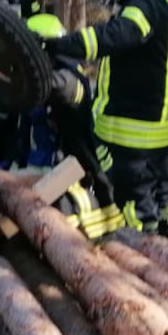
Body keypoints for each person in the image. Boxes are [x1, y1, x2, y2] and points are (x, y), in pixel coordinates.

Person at [44, 0, 168, 235]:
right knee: (165, 188)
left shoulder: (145, 4)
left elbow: (112, 38)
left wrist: (58, 46)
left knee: (134, 200)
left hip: (137, 126)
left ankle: (144, 254)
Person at [25, 14, 121, 239]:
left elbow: (42, 87)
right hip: (62, 166)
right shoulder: (60, 75)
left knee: (33, 208)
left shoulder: (67, 81)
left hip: (78, 175)